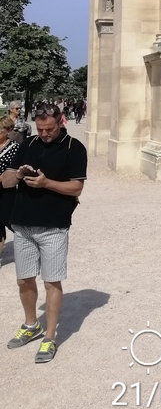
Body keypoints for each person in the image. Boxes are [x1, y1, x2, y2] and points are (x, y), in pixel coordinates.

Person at [1, 102, 87, 363]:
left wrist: (46, 182)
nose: (45, 134)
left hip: (54, 225)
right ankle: (31, 325)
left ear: (60, 122)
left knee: (51, 281)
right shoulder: (27, 144)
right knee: (24, 280)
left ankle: (49, 337)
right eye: (40, 129)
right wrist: (18, 175)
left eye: (49, 129)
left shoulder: (75, 148)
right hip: (23, 224)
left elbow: (76, 188)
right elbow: (4, 179)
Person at [0, 116, 20, 263]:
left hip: (5, 190)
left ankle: (29, 242)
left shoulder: (14, 148)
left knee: (8, 220)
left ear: (8, 131)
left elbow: (14, 170)